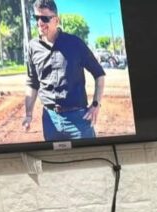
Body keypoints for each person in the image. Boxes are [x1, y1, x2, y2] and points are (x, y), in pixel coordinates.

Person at [22, 0, 106, 141]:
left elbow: (99, 74)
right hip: (50, 120)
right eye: (36, 18)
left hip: (78, 119)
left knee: (88, 158)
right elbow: (32, 83)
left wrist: (96, 104)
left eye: (45, 18)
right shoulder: (32, 47)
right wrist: (28, 114)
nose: (40, 23)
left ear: (57, 20)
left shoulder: (75, 43)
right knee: (55, 160)